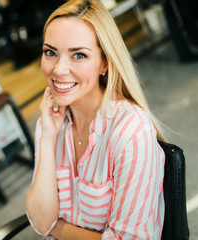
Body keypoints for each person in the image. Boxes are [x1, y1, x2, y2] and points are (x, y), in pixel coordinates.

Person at [25, 0, 165, 239]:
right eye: (51, 52)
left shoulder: (131, 131)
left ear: (104, 63)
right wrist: (48, 138)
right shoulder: (47, 124)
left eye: (78, 55)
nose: (58, 70)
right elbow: (39, 220)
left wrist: (56, 227)